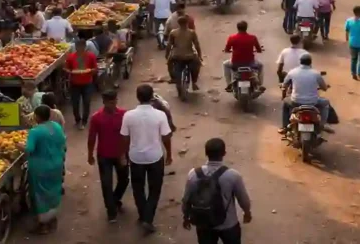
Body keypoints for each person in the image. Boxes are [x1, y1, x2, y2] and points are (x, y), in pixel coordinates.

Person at [122, 84, 174, 235]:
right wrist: (169, 154)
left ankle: (143, 215)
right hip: (155, 156)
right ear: (152, 97)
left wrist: (124, 154)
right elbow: (166, 137)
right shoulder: (160, 115)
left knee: (138, 188)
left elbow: (125, 138)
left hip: (136, 157)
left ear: (137, 97)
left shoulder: (128, 115)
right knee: (155, 189)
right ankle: (148, 219)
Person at [182, 138, 252, 244]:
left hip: (204, 223)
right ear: (224, 153)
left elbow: (186, 199)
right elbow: (243, 199)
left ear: (206, 153)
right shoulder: (232, 175)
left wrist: (186, 217)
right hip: (228, 224)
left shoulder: (193, 174)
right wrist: (247, 213)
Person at [88, 91, 129, 222]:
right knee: (106, 184)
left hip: (120, 154)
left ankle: (115, 200)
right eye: (110, 102)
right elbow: (92, 137)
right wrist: (90, 154)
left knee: (124, 180)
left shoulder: (124, 115)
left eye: (115, 101)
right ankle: (111, 211)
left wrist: (127, 153)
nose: (113, 104)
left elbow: (128, 135)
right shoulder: (96, 117)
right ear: (104, 102)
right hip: (104, 155)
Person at [27, 105, 67, 234]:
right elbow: (62, 142)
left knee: (39, 194)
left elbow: (29, 149)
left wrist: (18, 146)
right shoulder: (56, 126)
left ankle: (42, 225)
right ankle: (52, 219)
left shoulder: (35, 131)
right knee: (53, 191)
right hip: (56, 164)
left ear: (37, 117)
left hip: (40, 167)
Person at [280, 54, 331, 132]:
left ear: (300, 62)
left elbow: (284, 85)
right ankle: (322, 124)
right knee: (326, 103)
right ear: (310, 63)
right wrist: (325, 87)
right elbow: (324, 88)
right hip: (312, 102)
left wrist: (284, 90)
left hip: (295, 101)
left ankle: (284, 127)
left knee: (285, 103)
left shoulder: (292, 72)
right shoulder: (316, 73)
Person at [222, 21, 265, 92]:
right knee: (261, 65)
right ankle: (260, 84)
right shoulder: (253, 38)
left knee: (225, 64)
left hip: (235, 63)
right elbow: (259, 50)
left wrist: (228, 51)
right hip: (250, 63)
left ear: (237, 28)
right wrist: (259, 50)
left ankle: (229, 84)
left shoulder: (232, 38)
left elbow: (227, 50)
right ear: (246, 28)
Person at [66, 38, 98, 130]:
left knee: (86, 102)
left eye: (80, 46)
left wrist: (89, 70)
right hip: (74, 83)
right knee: (75, 103)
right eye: (77, 46)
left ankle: (84, 121)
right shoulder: (71, 57)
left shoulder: (91, 56)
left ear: (84, 47)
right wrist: (71, 72)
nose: (79, 48)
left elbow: (95, 68)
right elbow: (66, 68)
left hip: (87, 83)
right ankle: (77, 119)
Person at [168, 17, 203, 90]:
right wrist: (200, 56)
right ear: (187, 23)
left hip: (176, 56)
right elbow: (197, 45)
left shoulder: (173, 32)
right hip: (189, 56)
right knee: (197, 65)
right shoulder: (192, 32)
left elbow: (169, 45)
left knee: (169, 64)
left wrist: (167, 55)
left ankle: (173, 78)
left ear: (178, 23)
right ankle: (194, 82)